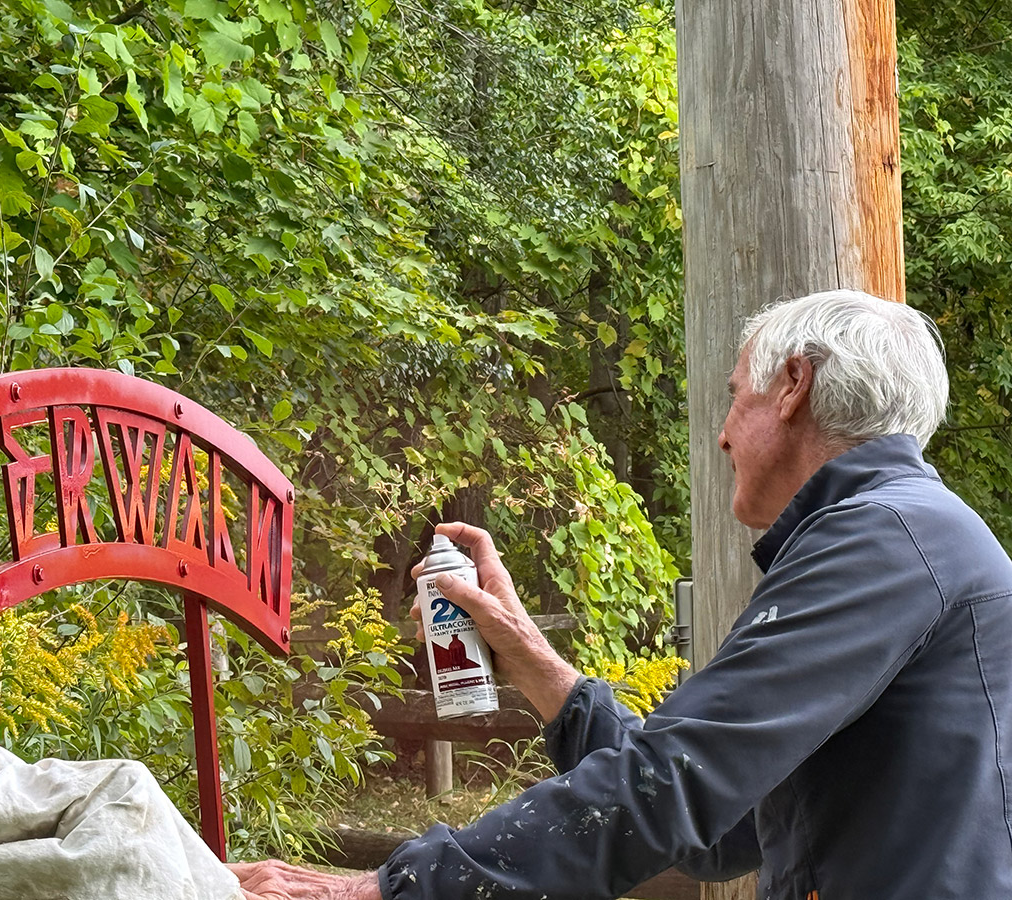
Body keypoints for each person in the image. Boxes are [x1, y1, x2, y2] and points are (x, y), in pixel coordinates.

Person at [231, 290, 1012, 899]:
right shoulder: (902, 537)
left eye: (735, 394)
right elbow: (720, 827)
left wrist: (385, 885)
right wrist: (528, 653)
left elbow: (677, 778)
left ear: (794, 386)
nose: (721, 435)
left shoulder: (887, 542)